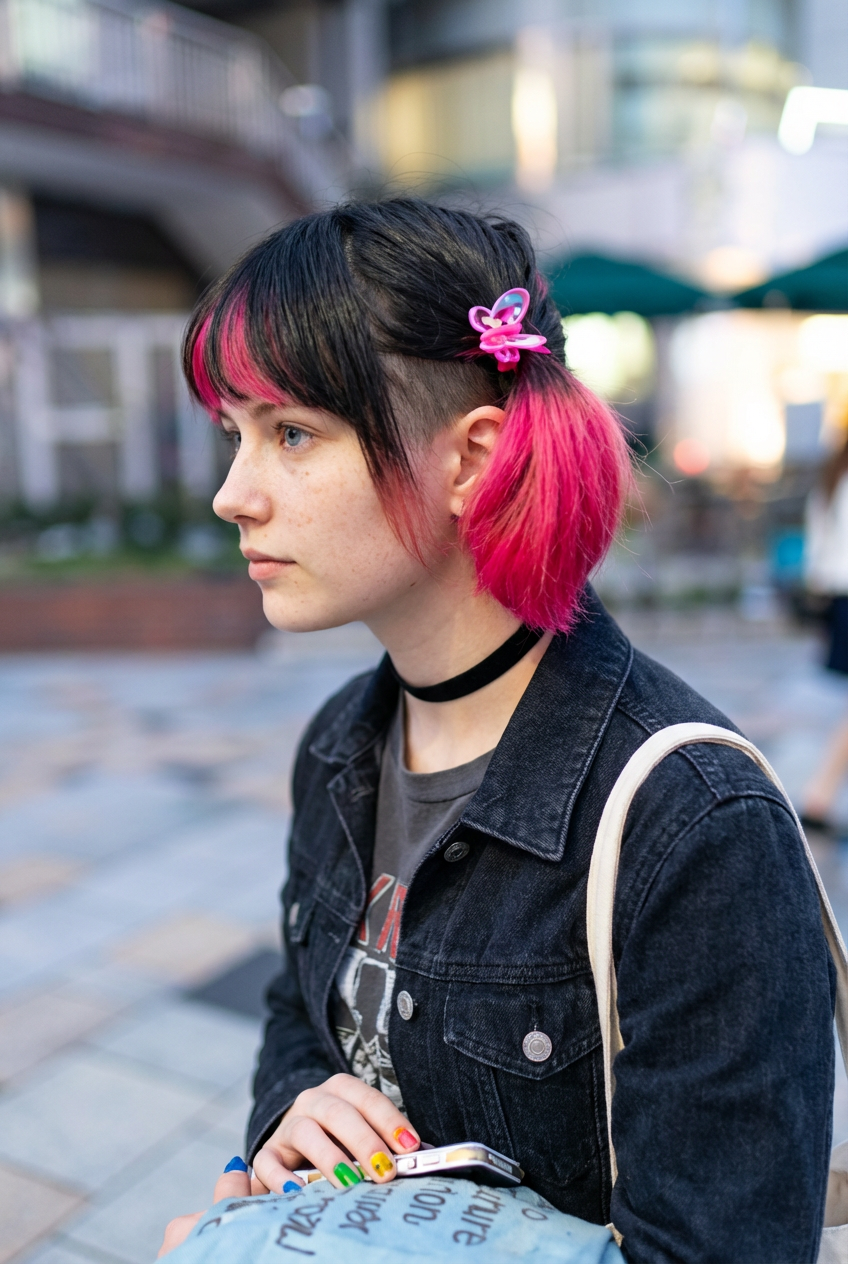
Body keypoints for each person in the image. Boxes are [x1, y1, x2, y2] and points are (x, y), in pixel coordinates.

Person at [163, 200, 834, 1262]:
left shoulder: (691, 825)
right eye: (235, 435)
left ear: (469, 459)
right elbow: (301, 1018)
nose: (231, 494)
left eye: (290, 433)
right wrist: (294, 1109)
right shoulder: (340, 745)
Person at [803, 424, 848, 833]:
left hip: (838, 596)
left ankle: (822, 791)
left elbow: (817, 545)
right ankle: (820, 792)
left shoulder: (834, 475)